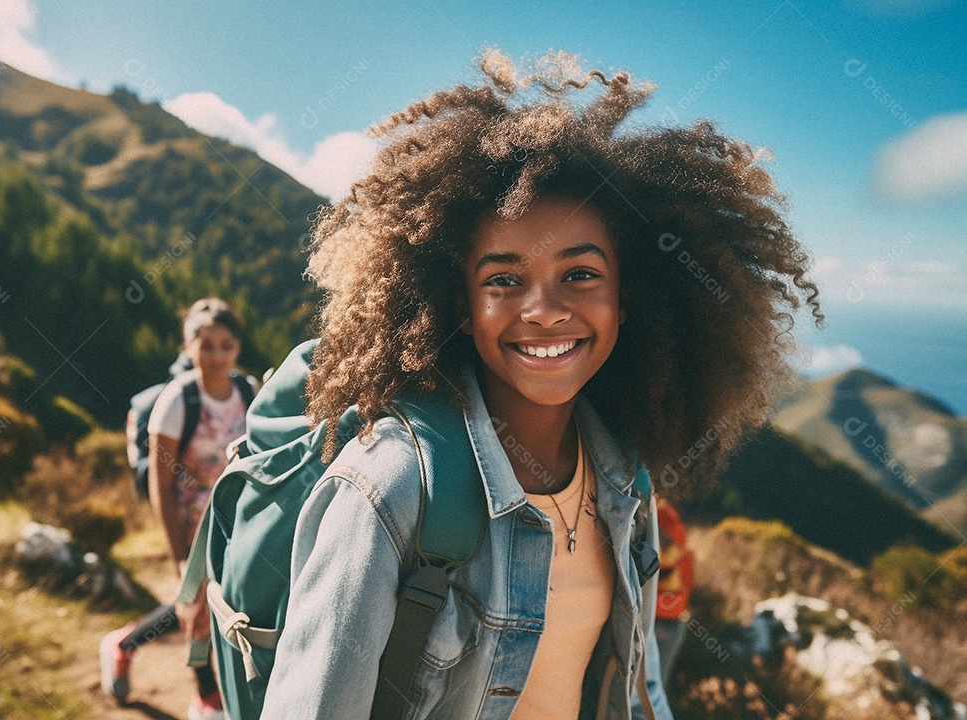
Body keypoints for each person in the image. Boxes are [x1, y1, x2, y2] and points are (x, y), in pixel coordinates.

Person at [256, 49, 822, 720]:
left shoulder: (623, 477)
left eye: (580, 274)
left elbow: (636, 687)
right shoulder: (393, 489)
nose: (544, 309)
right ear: (461, 305)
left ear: (626, 297)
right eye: (503, 280)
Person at [101, 298, 253, 720]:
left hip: (236, 520)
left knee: (212, 602)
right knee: (197, 608)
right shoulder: (177, 401)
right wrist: (178, 553)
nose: (216, 355)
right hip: (191, 524)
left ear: (238, 347)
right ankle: (207, 699)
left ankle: (123, 644)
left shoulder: (248, 390)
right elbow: (161, 486)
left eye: (226, 345)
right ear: (188, 348)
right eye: (206, 346)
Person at [654, 498, 695, 684]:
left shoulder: (660, 518)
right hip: (673, 619)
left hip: (654, 618)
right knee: (654, 690)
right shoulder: (674, 524)